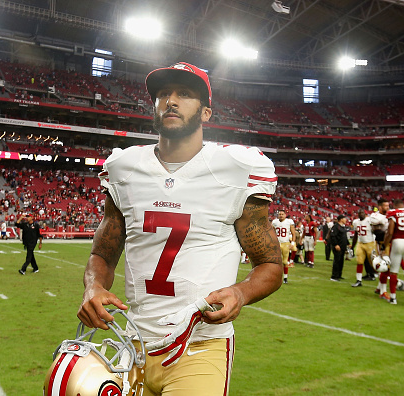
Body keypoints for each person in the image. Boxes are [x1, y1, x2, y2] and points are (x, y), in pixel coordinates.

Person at [76, 62, 283, 396]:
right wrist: (93, 286)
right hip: (131, 345)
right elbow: (103, 252)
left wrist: (241, 293)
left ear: (206, 113)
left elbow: (271, 265)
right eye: (162, 94)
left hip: (200, 346)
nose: (170, 101)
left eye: (184, 94)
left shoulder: (235, 169)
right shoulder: (125, 168)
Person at [351, 209, 375, 287]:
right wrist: (352, 246)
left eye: (362, 213)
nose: (361, 214)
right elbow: (356, 234)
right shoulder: (355, 222)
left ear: (365, 214)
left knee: (374, 262)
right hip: (360, 243)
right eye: (360, 213)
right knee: (359, 262)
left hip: (370, 243)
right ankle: (359, 280)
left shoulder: (369, 220)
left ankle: (379, 276)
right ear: (358, 214)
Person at [272, 209, 296, 283]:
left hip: (286, 243)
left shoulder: (289, 222)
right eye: (280, 214)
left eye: (282, 214)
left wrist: (292, 243)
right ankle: (277, 277)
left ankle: (285, 278)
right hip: (277, 243)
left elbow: (293, 233)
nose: (281, 215)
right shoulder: (274, 222)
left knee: (285, 261)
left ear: (285, 215)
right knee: (276, 261)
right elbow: (271, 232)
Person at [330, 214, 349, 281]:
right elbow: (333, 236)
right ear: (341, 219)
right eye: (344, 218)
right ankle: (334, 276)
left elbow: (344, 237)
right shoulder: (335, 227)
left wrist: (348, 243)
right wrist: (335, 245)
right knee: (337, 261)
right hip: (338, 246)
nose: (346, 220)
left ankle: (339, 275)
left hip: (342, 247)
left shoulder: (342, 227)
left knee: (341, 261)